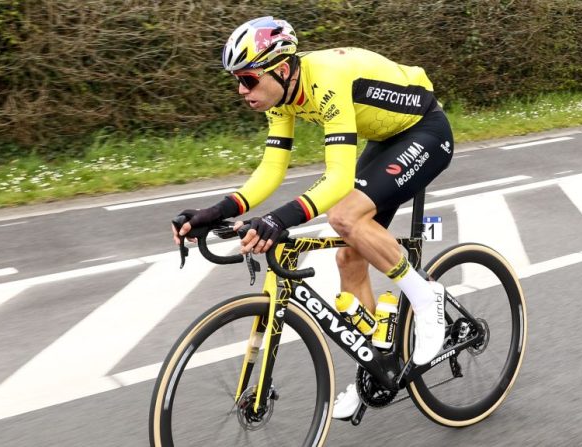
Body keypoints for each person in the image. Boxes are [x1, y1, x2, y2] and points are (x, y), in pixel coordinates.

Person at [171, 16, 453, 419]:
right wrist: (216, 211)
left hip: (424, 131)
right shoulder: (281, 96)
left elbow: (338, 179)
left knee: (345, 218)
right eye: (237, 80)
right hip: (386, 139)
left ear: (281, 69)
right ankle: (374, 368)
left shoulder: (327, 77)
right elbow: (271, 169)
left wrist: (278, 220)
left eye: (248, 79)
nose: (241, 90)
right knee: (348, 257)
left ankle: (428, 300)